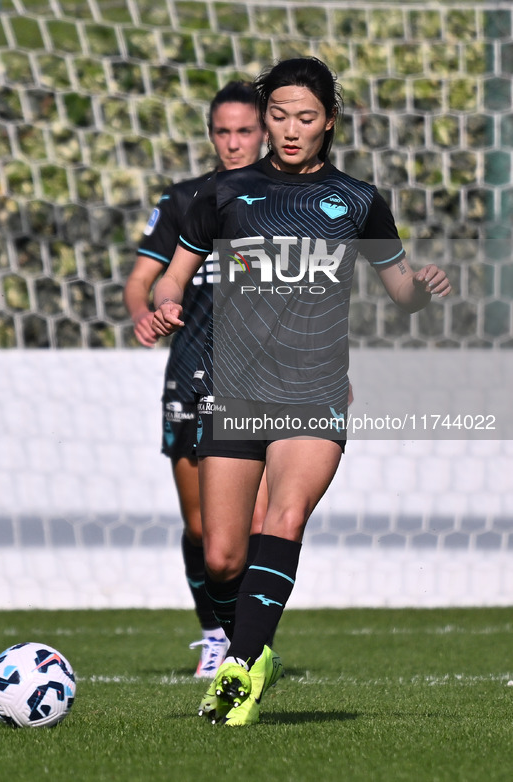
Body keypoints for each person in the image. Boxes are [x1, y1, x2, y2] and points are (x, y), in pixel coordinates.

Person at [151, 56, 451, 725]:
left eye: (304, 117)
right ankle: (251, 651)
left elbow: (397, 290)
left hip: (313, 391)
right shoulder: (225, 194)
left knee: (281, 519)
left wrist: (419, 291)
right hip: (234, 392)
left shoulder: (356, 200)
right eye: (278, 116)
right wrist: (162, 304)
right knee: (223, 555)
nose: (289, 129)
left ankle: (238, 673)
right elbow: (174, 276)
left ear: (329, 123)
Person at [124, 80, 267, 679]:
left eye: (244, 131)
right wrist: (147, 312)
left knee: (253, 527)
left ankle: (247, 646)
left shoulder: (290, 203)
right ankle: (214, 633)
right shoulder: (185, 200)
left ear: (265, 133)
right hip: (191, 372)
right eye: (223, 132)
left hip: (258, 379)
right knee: (203, 528)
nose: (233, 143)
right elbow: (143, 280)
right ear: (211, 135)